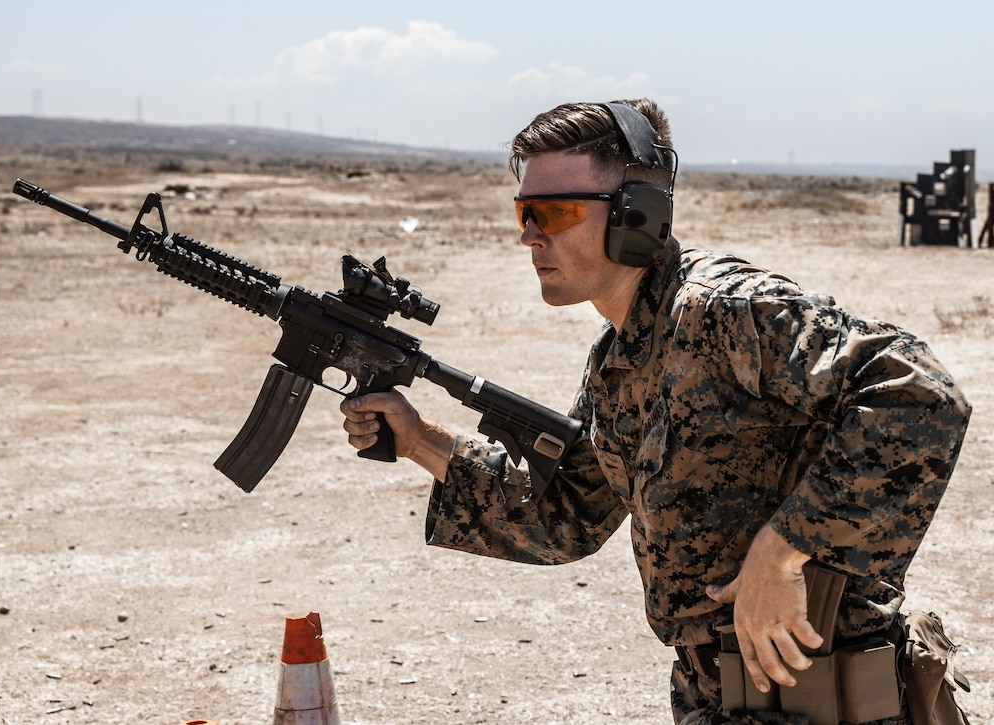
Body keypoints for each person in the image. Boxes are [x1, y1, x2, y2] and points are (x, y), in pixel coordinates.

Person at [339, 98, 972, 724]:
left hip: (829, 697)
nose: (529, 234)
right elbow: (567, 516)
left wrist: (780, 554)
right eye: (524, 212)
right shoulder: (620, 359)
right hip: (725, 699)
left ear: (635, 217)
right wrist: (422, 439)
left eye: (554, 213)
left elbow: (918, 392)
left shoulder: (726, 308)